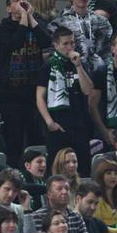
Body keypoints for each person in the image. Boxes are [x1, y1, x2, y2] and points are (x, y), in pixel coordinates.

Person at [35, 27, 94, 175]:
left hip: (79, 124)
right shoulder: (48, 66)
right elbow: (40, 97)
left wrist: (78, 66)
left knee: (82, 168)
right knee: (57, 168)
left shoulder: (81, 64)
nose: (70, 47)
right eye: (65, 44)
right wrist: (49, 122)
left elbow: (88, 90)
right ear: (56, 45)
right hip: (58, 125)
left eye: (72, 43)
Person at [49, 0, 111, 77]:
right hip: (71, 72)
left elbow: (107, 52)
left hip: (99, 73)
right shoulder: (58, 23)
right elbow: (55, 52)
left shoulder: (102, 22)